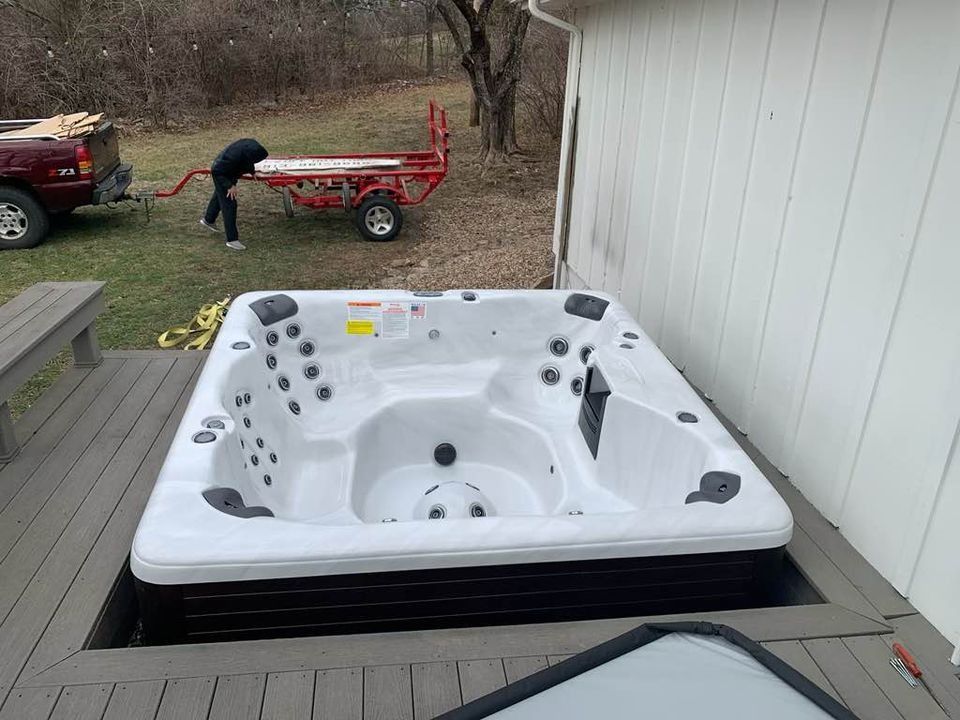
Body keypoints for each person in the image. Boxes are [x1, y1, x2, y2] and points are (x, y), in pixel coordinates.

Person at [199, 138, 269, 251]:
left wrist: (252, 171)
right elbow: (216, 171)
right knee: (229, 205)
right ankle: (232, 240)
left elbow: (248, 161)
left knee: (219, 195)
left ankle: (208, 220)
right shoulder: (231, 157)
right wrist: (229, 186)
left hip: (229, 173)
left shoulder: (246, 149)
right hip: (222, 174)